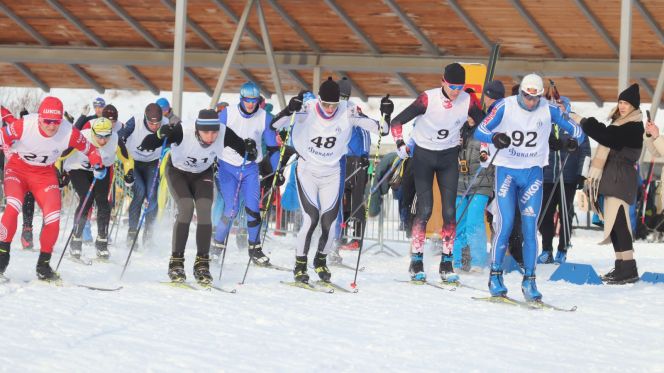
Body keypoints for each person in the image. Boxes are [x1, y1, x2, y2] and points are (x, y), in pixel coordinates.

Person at [475, 73, 585, 301]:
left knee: (530, 228)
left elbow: (578, 132)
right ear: (521, 93)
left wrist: (573, 142)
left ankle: (530, 281)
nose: (531, 102)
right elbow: (480, 130)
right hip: (507, 172)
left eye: (535, 98)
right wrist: (495, 137)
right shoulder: (505, 106)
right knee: (504, 225)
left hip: (533, 173)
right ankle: (495, 277)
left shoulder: (549, 109)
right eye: (527, 97)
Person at [271, 77, 392, 283]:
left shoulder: (348, 111)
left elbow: (383, 130)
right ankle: (300, 265)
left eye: (333, 105)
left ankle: (320, 260)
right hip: (307, 170)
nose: (328, 109)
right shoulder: (308, 108)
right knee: (311, 219)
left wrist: (386, 114)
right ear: (319, 100)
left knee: (330, 221)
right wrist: (289, 110)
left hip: (332, 173)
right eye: (325, 104)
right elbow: (275, 124)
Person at [389, 62, 483, 282]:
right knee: (426, 209)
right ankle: (417, 261)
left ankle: (447, 263)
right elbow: (396, 122)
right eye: (452, 86)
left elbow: (485, 124)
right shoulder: (427, 99)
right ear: (443, 81)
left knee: (450, 212)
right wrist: (401, 144)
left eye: (460, 87)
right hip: (423, 156)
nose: (455, 91)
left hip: (448, 157)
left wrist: (491, 141)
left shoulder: (467, 101)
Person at [0, 97, 102, 280]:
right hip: (18, 169)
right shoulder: (24, 125)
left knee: (53, 216)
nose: (51, 126)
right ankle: (1, 258)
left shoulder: (69, 132)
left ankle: (44, 266)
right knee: (13, 206)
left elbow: (91, 150)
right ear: (39, 117)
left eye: (55, 122)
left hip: (45, 175)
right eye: (47, 121)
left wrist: (98, 164)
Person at [163, 109, 249, 284]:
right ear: (197, 130)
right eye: (206, 132)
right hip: (178, 172)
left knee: (204, 210)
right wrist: (160, 135)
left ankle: (202, 263)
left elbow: (241, 146)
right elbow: (158, 139)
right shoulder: (184, 130)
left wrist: (250, 148)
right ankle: (176, 262)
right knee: (186, 207)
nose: (211, 137)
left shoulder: (223, 132)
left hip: (202, 174)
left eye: (214, 132)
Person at [580, 83, 644, 284]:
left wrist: (583, 121)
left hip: (621, 178)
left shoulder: (633, 126)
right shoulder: (621, 123)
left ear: (634, 106)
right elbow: (607, 134)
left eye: (626, 103)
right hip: (614, 177)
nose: (622, 106)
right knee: (616, 225)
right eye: (620, 102)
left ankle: (629, 268)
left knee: (620, 224)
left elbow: (606, 137)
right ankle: (621, 266)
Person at [211, 82, 277, 266]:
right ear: (241, 99)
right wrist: (213, 160)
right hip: (227, 166)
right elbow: (213, 137)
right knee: (231, 209)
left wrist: (274, 171)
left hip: (250, 168)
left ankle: (254, 248)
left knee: (253, 209)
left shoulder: (265, 117)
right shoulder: (227, 113)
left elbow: (272, 147)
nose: (250, 104)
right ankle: (217, 246)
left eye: (254, 100)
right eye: (247, 100)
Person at [59, 117, 134, 260]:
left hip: (101, 169)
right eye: (99, 136)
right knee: (87, 199)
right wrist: (60, 173)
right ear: (93, 132)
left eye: (107, 136)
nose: (103, 140)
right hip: (78, 168)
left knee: (103, 203)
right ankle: (76, 238)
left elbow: (127, 159)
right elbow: (60, 156)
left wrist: (128, 173)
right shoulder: (82, 137)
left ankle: (102, 241)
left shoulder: (115, 139)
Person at [454, 81, 504, 273]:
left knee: (475, 220)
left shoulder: (484, 129)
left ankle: (477, 261)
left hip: (481, 181)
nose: (467, 116)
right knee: (459, 220)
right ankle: (457, 261)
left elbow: (487, 155)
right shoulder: (458, 130)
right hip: (460, 182)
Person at [537, 96, 591, 264]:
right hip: (547, 176)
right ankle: (546, 249)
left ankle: (563, 248)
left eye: (560, 106)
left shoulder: (574, 125)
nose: (557, 108)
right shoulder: (544, 123)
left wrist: (582, 174)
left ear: (567, 107)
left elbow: (585, 151)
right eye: (554, 106)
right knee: (544, 214)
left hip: (567, 177)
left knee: (565, 214)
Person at [118, 103, 169, 248]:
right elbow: (120, 136)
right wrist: (122, 140)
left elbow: (177, 138)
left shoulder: (165, 123)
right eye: (151, 123)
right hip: (133, 162)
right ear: (146, 118)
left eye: (157, 123)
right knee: (139, 193)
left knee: (152, 195)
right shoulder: (136, 120)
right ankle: (132, 234)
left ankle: (148, 234)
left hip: (152, 163)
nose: (154, 126)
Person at [336, 77, 371, 255]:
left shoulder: (353, 109)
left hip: (356, 159)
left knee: (357, 201)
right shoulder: (331, 108)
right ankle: (339, 235)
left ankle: (357, 239)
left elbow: (365, 130)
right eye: (339, 96)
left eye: (344, 96)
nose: (341, 99)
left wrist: (365, 154)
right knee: (340, 200)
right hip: (340, 159)